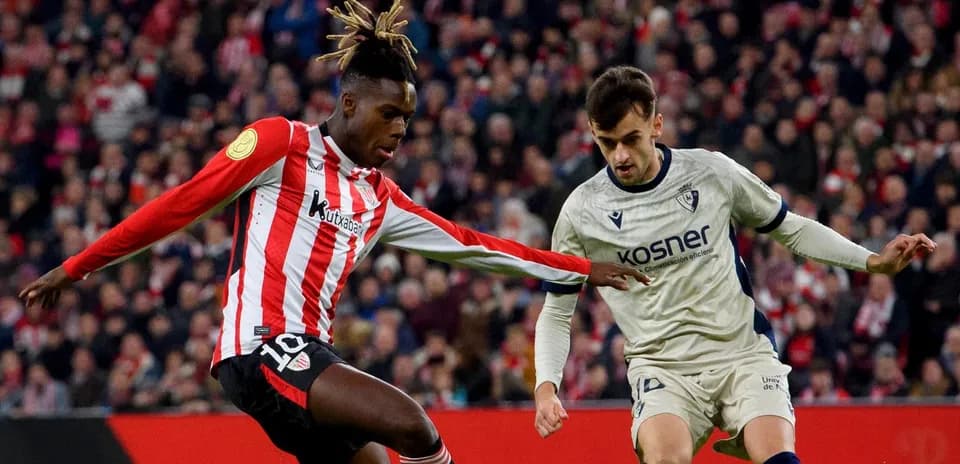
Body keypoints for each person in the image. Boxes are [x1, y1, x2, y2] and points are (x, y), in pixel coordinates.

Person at [19, 3, 646, 464]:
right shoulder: (279, 145)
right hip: (260, 350)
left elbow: (475, 244)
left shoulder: (378, 197)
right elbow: (181, 204)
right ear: (348, 104)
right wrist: (77, 266)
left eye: (408, 117)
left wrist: (583, 269)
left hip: (306, 363)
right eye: (390, 113)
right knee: (414, 426)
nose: (401, 129)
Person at [532, 66, 936, 464]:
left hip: (740, 352)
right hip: (662, 367)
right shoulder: (581, 212)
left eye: (630, 139)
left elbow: (790, 229)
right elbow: (557, 311)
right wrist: (546, 389)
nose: (619, 155)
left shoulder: (711, 173)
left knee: (778, 457)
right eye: (607, 143)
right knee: (664, 458)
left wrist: (871, 261)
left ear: (656, 125)